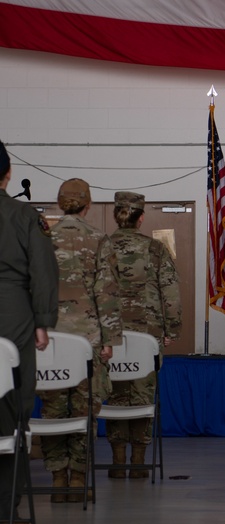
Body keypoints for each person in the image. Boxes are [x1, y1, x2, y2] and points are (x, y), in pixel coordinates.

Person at [38, 179, 122, 497]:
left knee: (53, 410)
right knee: (85, 409)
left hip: (50, 338)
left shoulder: (43, 238)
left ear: (61, 204)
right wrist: (110, 340)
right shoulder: (99, 239)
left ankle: (58, 479)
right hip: (89, 340)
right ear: (87, 206)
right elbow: (107, 295)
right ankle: (79, 480)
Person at [0, 138, 58, 524]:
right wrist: (42, 321)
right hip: (13, 311)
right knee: (12, 410)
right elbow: (42, 271)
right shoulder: (23, 215)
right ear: (7, 174)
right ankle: (7, 513)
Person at [105, 191, 181, 478]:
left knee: (115, 395)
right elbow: (171, 293)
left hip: (111, 336)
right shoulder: (156, 250)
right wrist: (172, 329)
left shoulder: (104, 247)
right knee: (142, 396)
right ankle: (138, 461)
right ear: (141, 218)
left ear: (117, 215)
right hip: (147, 336)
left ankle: (116, 459)